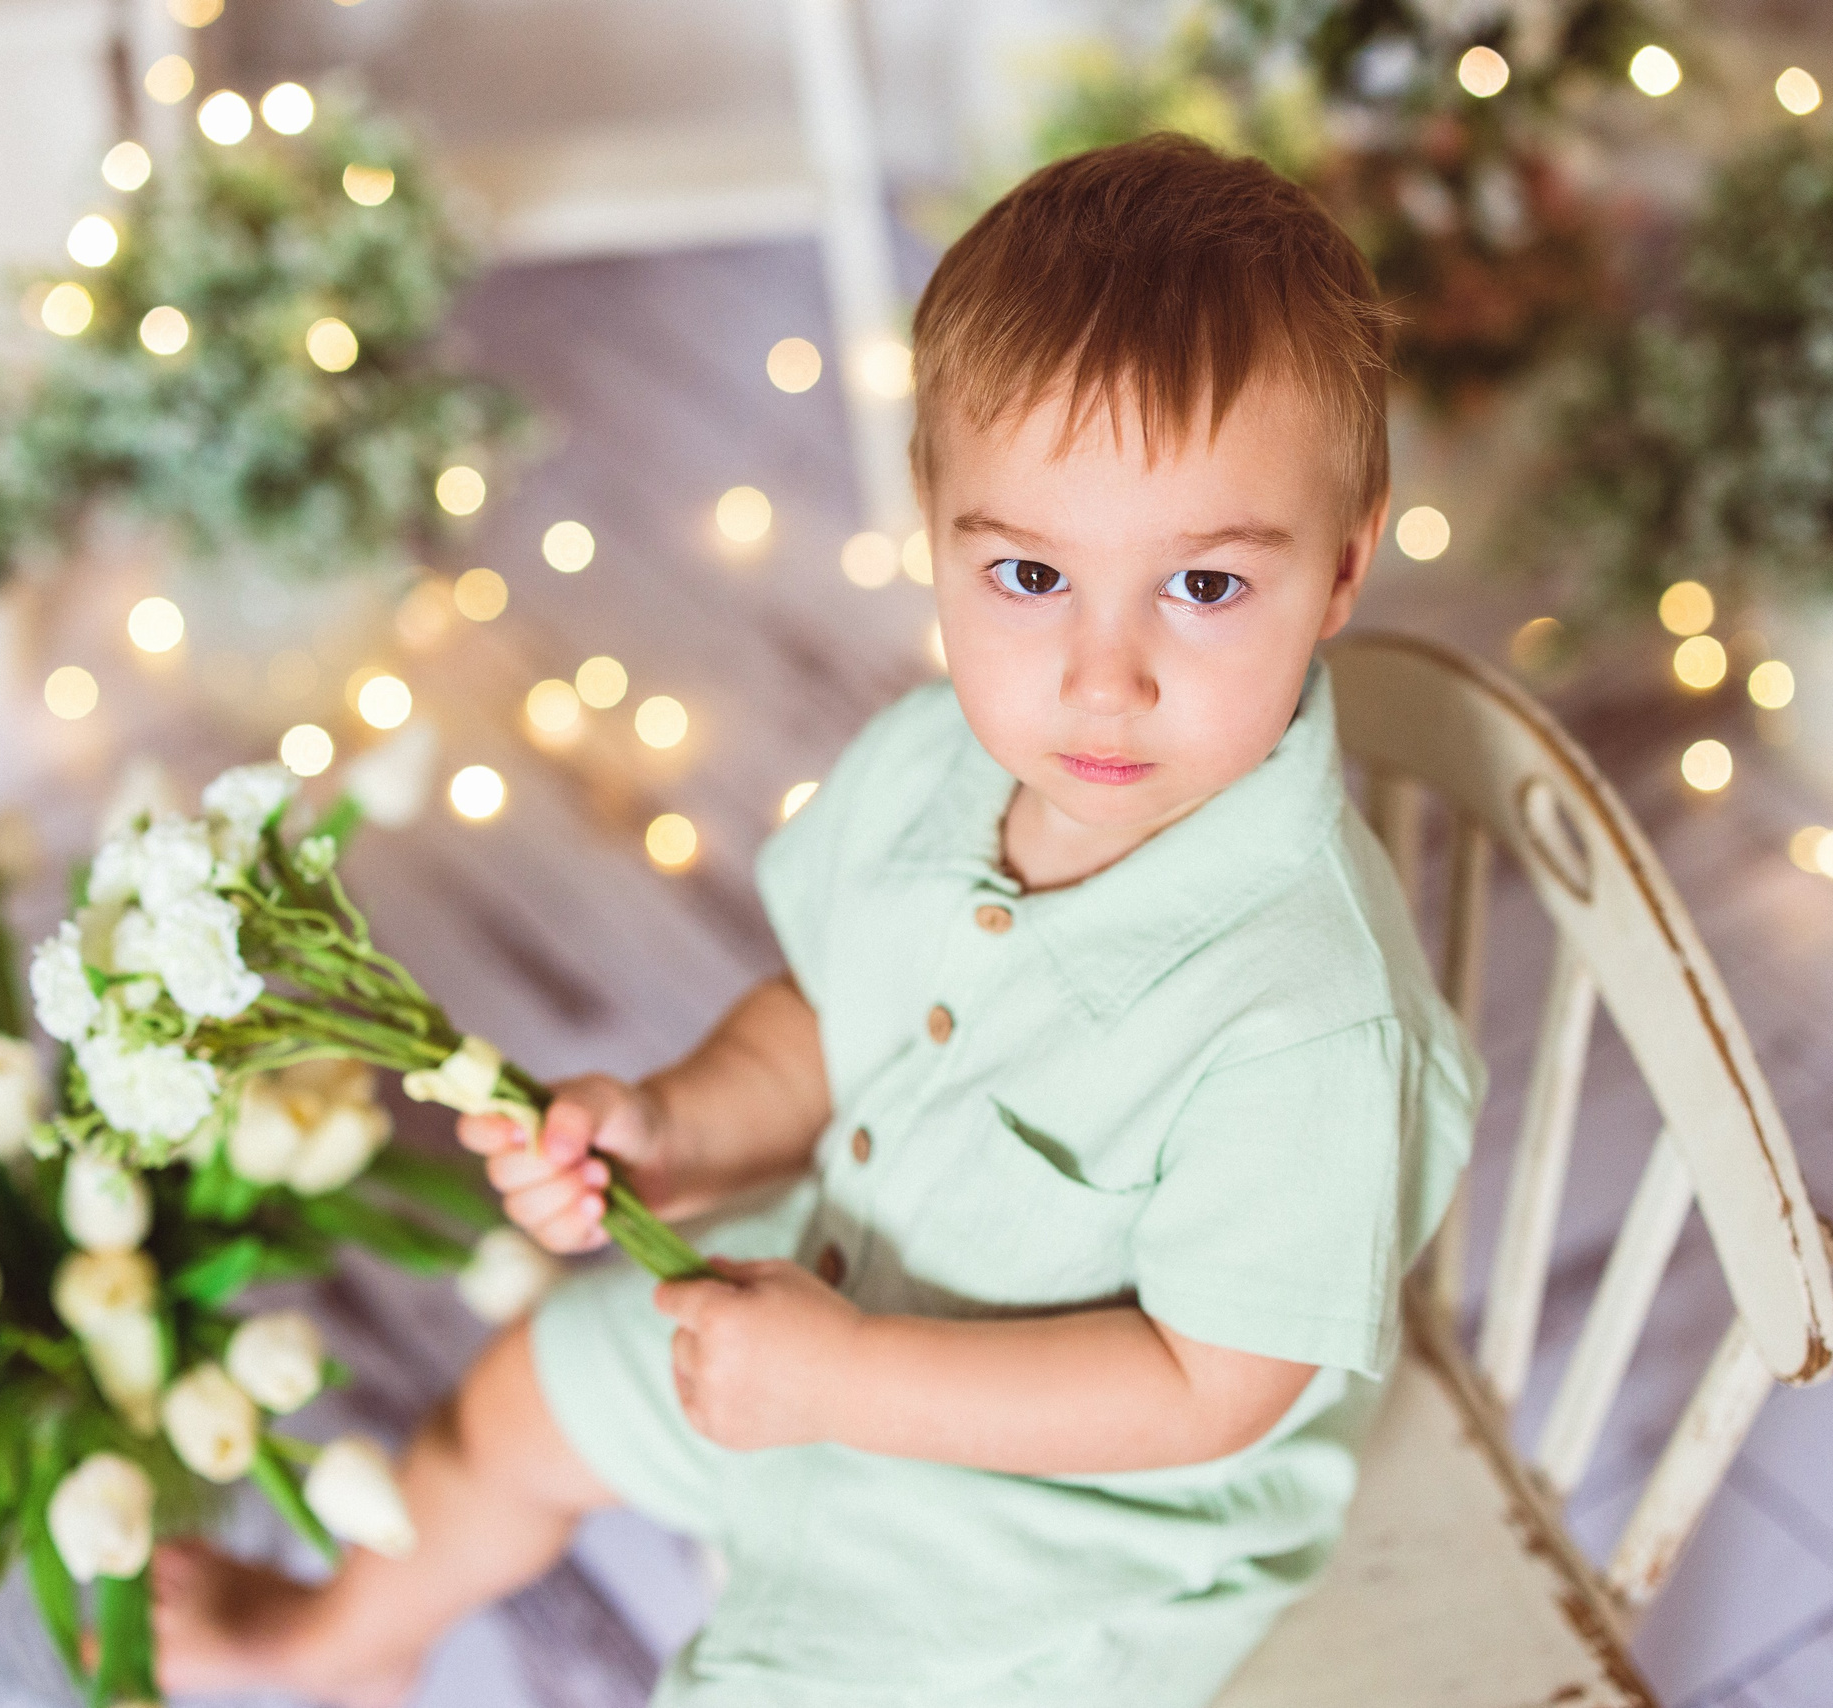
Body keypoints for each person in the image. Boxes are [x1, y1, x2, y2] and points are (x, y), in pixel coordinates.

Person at [153, 132, 1483, 1708]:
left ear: (1339, 566)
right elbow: (823, 1018)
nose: (1101, 676)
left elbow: (1210, 1390)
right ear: (935, 528)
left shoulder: (1305, 1012)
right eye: (1032, 575)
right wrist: (673, 1125)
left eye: (1202, 588)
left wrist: (850, 1382)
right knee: (529, 1393)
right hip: (833, 1293)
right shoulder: (935, 763)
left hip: (1068, 1526)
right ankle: (346, 1642)